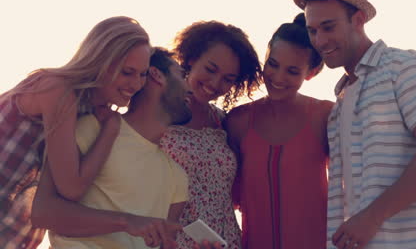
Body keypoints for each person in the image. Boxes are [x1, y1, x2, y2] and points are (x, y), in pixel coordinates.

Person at [294, 0, 416, 248]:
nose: (320, 40)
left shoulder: (406, 67)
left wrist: (373, 216)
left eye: (328, 27)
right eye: (312, 30)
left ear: (358, 20)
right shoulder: (340, 102)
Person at [0, 16, 151, 248]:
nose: (136, 84)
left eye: (143, 74)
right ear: (101, 61)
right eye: (127, 72)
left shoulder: (90, 111)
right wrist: (110, 131)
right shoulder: (58, 90)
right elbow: (71, 188)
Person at [32, 47, 192, 249]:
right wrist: (126, 222)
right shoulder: (92, 129)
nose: (190, 87)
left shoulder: (177, 177)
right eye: (182, 75)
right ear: (156, 75)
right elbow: (43, 212)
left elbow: (164, 244)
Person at [225, 13, 333, 249]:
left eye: (292, 71)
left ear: (311, 72)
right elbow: (225, 196)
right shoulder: (238, 121)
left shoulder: (325, 116)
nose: (278, 78)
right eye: (272, 64)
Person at [159, 20, 262, 249]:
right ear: (193, 59)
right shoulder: (157, 112)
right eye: (211, 69)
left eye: (228, 79)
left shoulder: (223, 121)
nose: (215, 83)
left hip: (225, 242)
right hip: (173, 242)